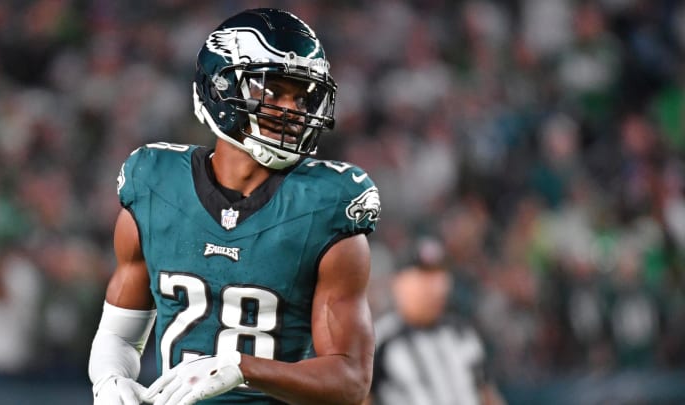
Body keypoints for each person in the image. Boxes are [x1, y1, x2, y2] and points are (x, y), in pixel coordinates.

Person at [87, 8, 381, 405]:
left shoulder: (325, 205)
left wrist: (240, 367)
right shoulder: (155, 185)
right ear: (219, 87)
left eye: (301, 96)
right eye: (273, 89)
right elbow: (120, 334)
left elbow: (350, 379)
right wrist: (109, 379)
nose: (292, 109)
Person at [368, 239, 505, 405]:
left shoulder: (462, 332)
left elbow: (486, 392)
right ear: (399, 282)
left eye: (439, 274)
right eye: (424, 275)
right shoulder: (381, 340)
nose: (435, 285)